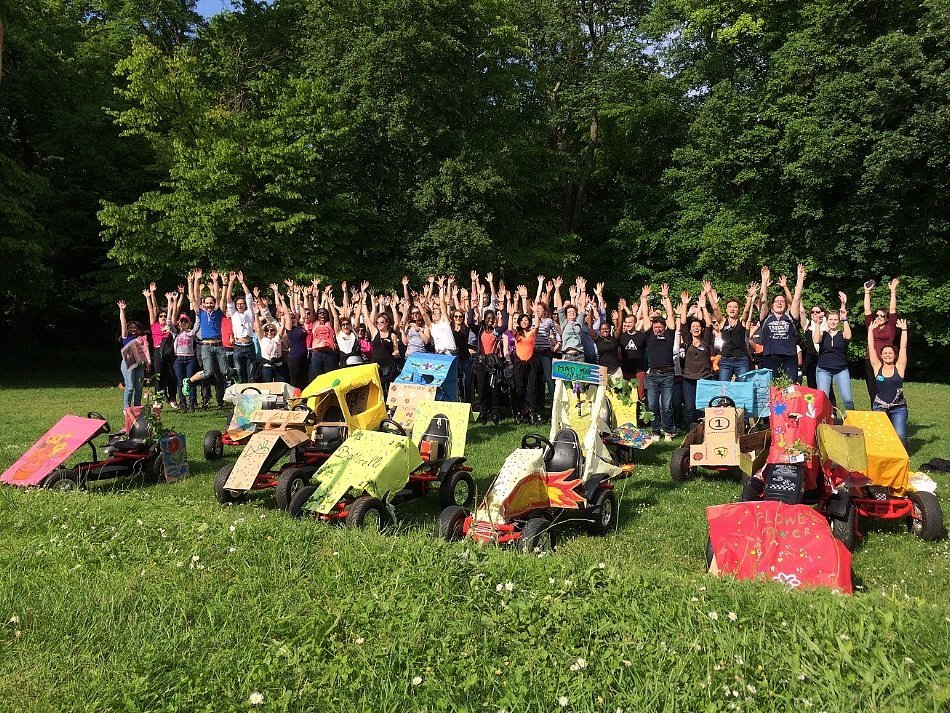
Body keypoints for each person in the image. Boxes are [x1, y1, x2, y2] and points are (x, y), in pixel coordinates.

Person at [640, 284, 677, 437]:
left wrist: (666, 298)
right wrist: (644, 298)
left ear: (664, 327)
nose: (657, 329)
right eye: (655, 327)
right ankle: (655, 431)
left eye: (660, 326)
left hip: (668, 374)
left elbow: (671, 316)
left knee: (666, 406)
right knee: (652, 405)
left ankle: (668, 431)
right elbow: (645, 315)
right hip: (653, 375)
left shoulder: (669, 335)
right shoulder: (649, 335)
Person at [758, 264, 805, 382]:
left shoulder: (790, 317)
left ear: (786, 305)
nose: (779, 303)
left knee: (790, 387)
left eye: (782, 301)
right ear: (772, 305)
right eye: (777, 301)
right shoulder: (766, 318)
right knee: (772, 387)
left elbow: (796, 299)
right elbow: (763, 301)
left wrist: (800, 279)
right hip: (770, 357)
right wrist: (764, 281)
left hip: (789, 357)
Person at [190, 269, 228, 408]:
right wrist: (196, 280)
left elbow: (220, 297)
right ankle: (189, 381)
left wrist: (216, 281)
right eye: (207, 303)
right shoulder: (200, 313)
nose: (209, 305)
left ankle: (221, 398)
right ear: (203, 304)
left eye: (211, 303)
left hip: (219, 346)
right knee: (208, 372)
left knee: (224, 372)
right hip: (206, 346)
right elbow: (194, 297)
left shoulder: (218, 312)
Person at [868, 318, 909, 447]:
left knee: (900, 434)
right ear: (881, 355)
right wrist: (870, 330)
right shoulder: (877, 367)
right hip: (879, 406)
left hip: (898, 407)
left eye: (890, 353)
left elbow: (903, 347)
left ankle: (903, 453)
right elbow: (871, 348)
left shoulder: (899, 368)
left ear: (895, 355)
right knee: (880, 434)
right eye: (885, 353)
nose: (888, 355)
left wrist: (904, 330)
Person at [679, 289, 715, 430]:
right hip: (689, 379)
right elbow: (683, 323)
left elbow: (709, 324)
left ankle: (705, 429)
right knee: (689, 407)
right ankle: (692, 430)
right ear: (690, 330)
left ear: (701, 329)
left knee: (703, 406)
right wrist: (684, 305)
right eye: (693, 327)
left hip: (705, 378)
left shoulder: (706, 341)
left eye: (698, 326)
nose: (696, 328)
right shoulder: (687, 341)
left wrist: (704, 307)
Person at [813, 292, 854, 414]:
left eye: (835, 319)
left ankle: (851, 419)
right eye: (831, 319)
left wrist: (844, 319)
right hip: (823, 370)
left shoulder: (842, 334)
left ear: (839, 321)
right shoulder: (823, 333)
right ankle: (825, 419)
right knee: (823, 399)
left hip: (841, 369)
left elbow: (848, 336)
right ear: (827, 320)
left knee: (847, 398)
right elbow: (816, 340)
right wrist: (817, 323)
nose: (833, 322)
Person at [863, 278, 899, 400]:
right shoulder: (871, 325)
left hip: (886, 360)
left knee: (886, 387)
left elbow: (893, 310)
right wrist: (867, 292)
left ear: (887, 318)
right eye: (877, 315)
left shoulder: (890, 327)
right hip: (871, 360)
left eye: (882, 316)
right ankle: (875, 409)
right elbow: (867, 310)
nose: (879, 317)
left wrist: (893, 291)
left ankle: (889, 408)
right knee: (872, 388)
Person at [143, 283, 175, 405]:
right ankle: (158, 399)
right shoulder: (154, 325)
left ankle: (172, 398)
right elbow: (152, 310)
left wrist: (170, 301)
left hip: (169, 350)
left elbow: (172, 312)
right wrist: (150, 295)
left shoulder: (170, 326)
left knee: (171, 374)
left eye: (164, 316)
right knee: (159, 375)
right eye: (161, 316)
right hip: (157, 350)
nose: (163, 317)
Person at [717, 282, 757, 381]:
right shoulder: (723, 322)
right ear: (726, 309)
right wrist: (709, 293)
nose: (732, 309)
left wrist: (750, 297)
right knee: (723, 386)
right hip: (726, 360)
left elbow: (746, 311)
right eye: (730, 307)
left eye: (735, 307)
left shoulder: (741, 322)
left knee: (742, 386)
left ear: (738, 309)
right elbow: (715, 309)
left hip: (741, 360)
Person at [473, 309, 505, 424]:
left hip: (492, 362)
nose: (490, 320)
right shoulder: (480, 330)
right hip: (481, 362)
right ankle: (483, 412)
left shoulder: (496, 331)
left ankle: (495, 412)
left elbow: (505, 325)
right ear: (485, 319)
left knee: (494, 388)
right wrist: (472, 308)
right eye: (488, 318)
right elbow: (470, 323)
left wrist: (503, 309)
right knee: (482, 389)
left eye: (492, 318)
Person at [226, 271, 256, 383]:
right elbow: (228, 299)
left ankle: (250, 390)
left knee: (251, 374)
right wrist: (231, 282)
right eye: (238, 304)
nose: (239, 305)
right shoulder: (234, 314)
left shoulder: (249, 313)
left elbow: (249, 297)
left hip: (249, 346)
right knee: (239, 373)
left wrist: (242, 282)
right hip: (238, 346)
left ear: (244, 305)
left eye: (241, 303)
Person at [117, 300, 147, 408]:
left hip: (139, 365)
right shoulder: (126, 337)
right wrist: (122, 310)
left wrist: (147, 362)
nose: (133, 329)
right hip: (128, 364)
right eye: (131, 327)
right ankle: (127, 408)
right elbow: (123, 323)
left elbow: (145, 351)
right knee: (130, 387)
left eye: (135, 327)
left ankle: (137, 407)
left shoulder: (141, 338)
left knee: (139, 388)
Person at [169, 311, 199, 412]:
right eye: (181, 321)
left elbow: (198, 324)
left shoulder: (191, 333)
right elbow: (169, 323)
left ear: (189, 323)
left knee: (190, 381)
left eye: (185, 321)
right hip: (178, 359)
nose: (183, 323)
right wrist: (170, 307)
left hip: (190, 359)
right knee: (180, 382)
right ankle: (183, 404)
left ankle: (192, 403)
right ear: (178, 323)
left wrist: (197, 312)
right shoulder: (176, 333)